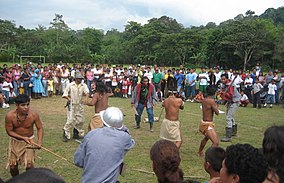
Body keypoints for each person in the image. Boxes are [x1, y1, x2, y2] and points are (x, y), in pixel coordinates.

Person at [74, 107, 135, 183]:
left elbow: (78, 161)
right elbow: (130, 142)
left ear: (103, 121)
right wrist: (122, 128)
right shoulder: (124, 137)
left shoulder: (91, 134)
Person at [5, 94, 43, 177]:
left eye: (27, 104)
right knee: (13, 166)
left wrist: (39, 142)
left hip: (29, 141)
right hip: (15, 142)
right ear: (17, 105)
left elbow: (40, 128)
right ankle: (16, 180)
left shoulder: (33, 115)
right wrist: (22, 138)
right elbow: (9, 131)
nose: (26, 107)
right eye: (23, 105)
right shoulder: (10, 116)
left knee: (29, 165)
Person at [62, 71, 89, 142]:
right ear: (75, 78)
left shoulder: (83, 85)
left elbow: (87, 92)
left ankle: (76, 133)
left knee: (80, 120)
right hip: (71, 104)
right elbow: (64, 94)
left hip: (79, 105)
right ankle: (66, 133)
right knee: (70, 120)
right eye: (79, 78)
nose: (80, 80)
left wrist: (86, 98)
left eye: (81, 78)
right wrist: (69, 98)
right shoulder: (70, 85)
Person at [198, 85, 219, 156]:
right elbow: (217, 113)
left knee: (206, 138)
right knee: (215, 143)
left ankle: (199, 151)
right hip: (208, 124)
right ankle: (209, 156)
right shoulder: (212, 101)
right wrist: (216, 106)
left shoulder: (204, 100)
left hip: (204, 122)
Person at [220, 74, 241, 142]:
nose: (223, 80)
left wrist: (224, 93)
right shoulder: (224, 85)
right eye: (222, 79)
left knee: (228, 117)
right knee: (231, 116)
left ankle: (228, 136)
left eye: (224, 79)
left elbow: (231, 95)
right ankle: (233, 132)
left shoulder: (231, 85)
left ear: (226, 79)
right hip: (230, 102)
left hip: (234, 101)